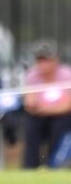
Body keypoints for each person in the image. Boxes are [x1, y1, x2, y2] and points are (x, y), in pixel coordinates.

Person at [22, 39, 71, 169]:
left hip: (62, 116)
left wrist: (44, 108)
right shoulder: (32, 76)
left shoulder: (67, 75)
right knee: (31, 125)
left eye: (46, 60)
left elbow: (67, 106)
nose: (43, 64)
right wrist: (37, 107)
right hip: (40, 116)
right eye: (40, 60)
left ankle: (55, 165)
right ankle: (29, 167)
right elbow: (29, 103)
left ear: (56, 60)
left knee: (60, 125)